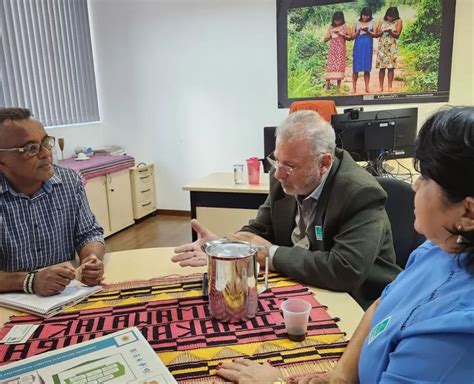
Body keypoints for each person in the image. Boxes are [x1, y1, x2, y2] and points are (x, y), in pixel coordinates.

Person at [215, 106, 474, 383]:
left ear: (468, 214)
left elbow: (347, 273)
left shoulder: (456, 331)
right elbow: (382, 305)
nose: (414, 186)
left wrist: (276, 382)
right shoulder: (436, 250)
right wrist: (339, 375)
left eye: (424, 177)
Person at [173, 110, 400, 309]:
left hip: (358, 302)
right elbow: (259, 230)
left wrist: (270, 254)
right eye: (277, 160)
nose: (278, 173)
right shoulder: (281, 178)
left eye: (290, 166)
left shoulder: (360, 193)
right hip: (305, 287)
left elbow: (344, 271)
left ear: (323, 163)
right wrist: (222, 248)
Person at [0, 107, 105, 297]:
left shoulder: (69, 181)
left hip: (63, 295)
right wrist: (30, 281)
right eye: (31, 148)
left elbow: (89, 233)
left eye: (46, 142)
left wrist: (90, 259)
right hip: (10, 303)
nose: (46, 153)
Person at [375, 7, 403, 93]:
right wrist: (382, 31)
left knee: (391, 68)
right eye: (388, 16)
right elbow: (376, 34)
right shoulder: (381, 21)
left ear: (395, 16)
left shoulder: (398, 21)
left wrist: (390, 31)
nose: (390, 18)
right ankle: (380, 86)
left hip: (391, 47)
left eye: (392, 17)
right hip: (382, 46)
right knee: (381, 67)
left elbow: (397, 35)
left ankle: (390, 86)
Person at [323, 11, 350, 91]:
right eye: (336, 20)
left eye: (339, 20)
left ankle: (338, 87)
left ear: (342, 19)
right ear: (333, 20)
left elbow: (350, 37)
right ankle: (327, 85)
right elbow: (325, 39)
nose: (337, 22)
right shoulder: (331, 27)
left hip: (341, 50)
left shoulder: (345, 26)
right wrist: (331, 35)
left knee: (339, 67)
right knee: (330, 66)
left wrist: (342, 35)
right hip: (333, 50)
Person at [351, 7, 376, 94]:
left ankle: (367, 87)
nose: (365, 17)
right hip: (358, 44)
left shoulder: (372, 22)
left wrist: (368, 31)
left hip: (368, 44)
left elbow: (375, 34)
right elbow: (352, 36)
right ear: (361, 14)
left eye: (367, 16)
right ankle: (353, 87)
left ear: (370, 16)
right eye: (364, 15)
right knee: (355, 67)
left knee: (366, 66)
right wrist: (358, 31)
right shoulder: (356, 22)